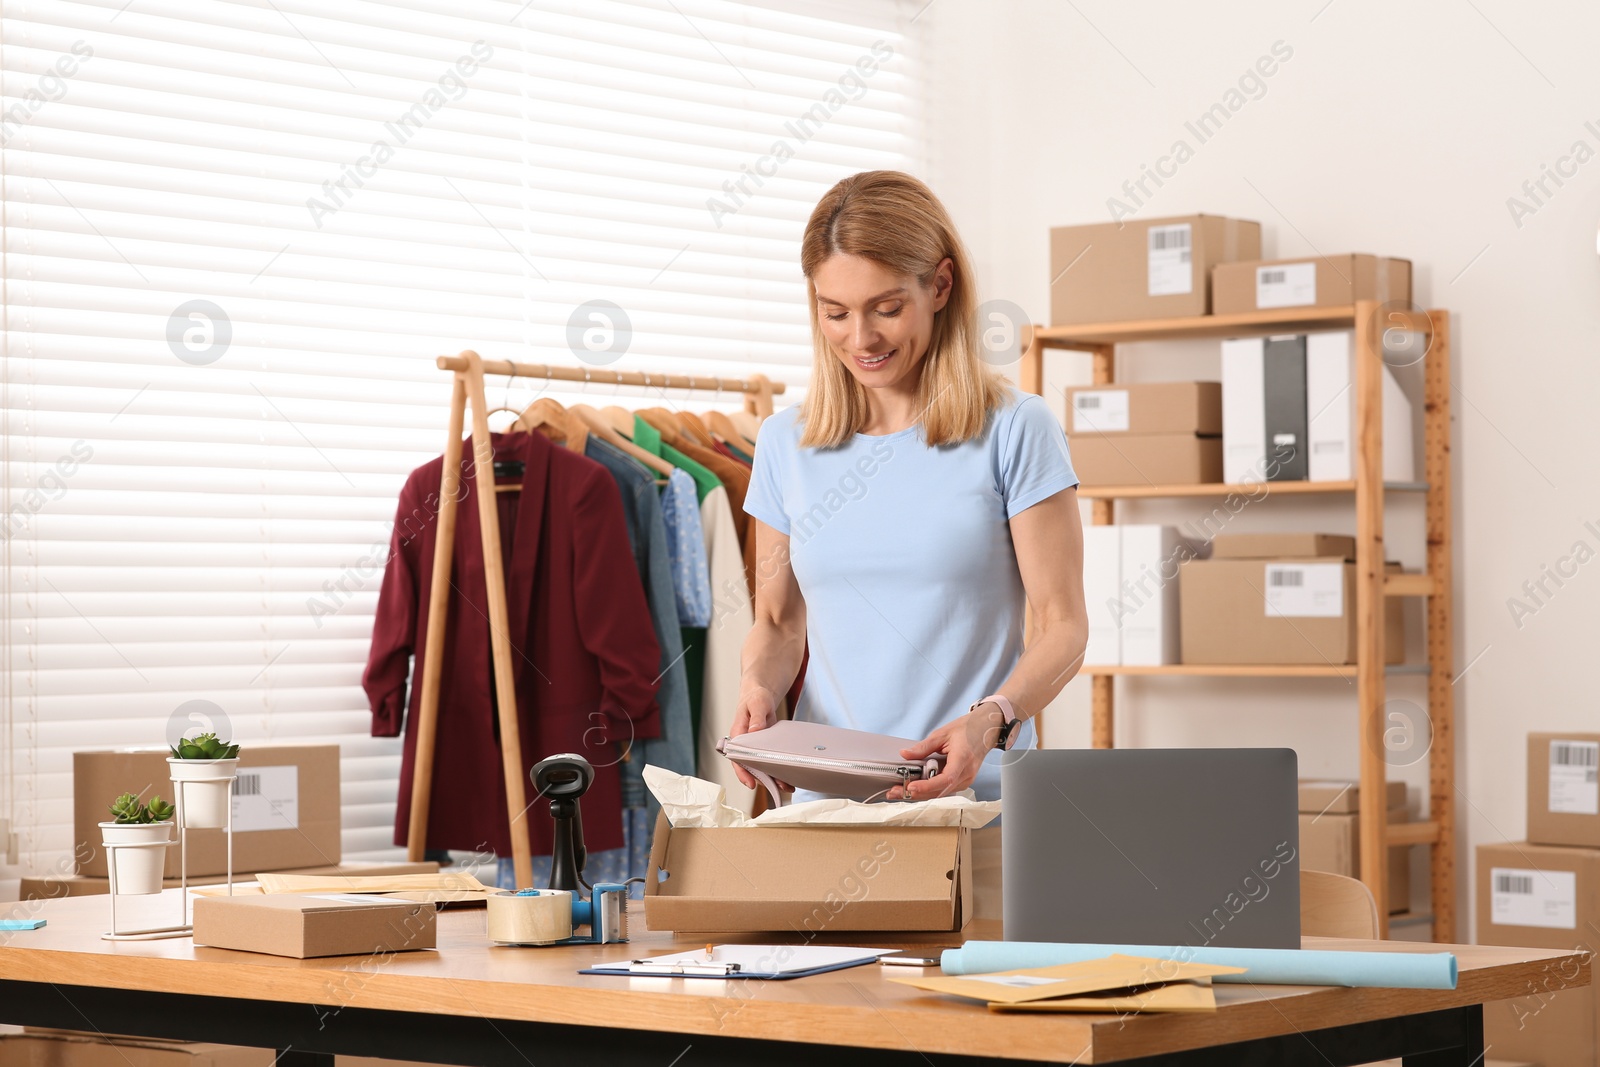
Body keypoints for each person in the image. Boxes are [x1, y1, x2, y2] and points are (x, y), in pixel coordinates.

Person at [733, 170, 1088, 828]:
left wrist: (991, 719)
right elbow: (780, 624)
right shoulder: (786, 442)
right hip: (828, 811)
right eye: (834, 311)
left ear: (941, 286)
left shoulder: (1014, 428)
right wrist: (760, 683)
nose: (860, 337)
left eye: (886, 307)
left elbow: (1064, 627)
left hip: (977, 811)